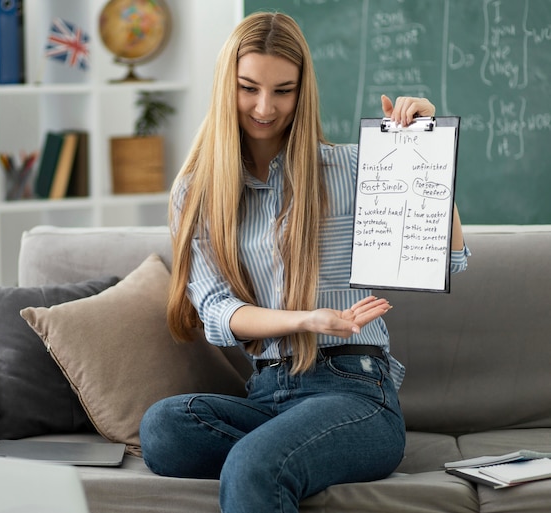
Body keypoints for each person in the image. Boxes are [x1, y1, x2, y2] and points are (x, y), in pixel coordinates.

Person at [139, 11, 469, 513]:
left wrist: (427, 146)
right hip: (268, 394)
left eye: (282, 91)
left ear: (302, 91)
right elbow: (217, 312)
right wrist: (306, 319)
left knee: (253, 465)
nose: (264, 108)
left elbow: (451, 258)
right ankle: (283, 453)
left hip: (356, 391)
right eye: (248, 88)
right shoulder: (197, 193)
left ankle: (270, 459)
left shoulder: (355, 168)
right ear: (226, 84)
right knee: (162, 428)